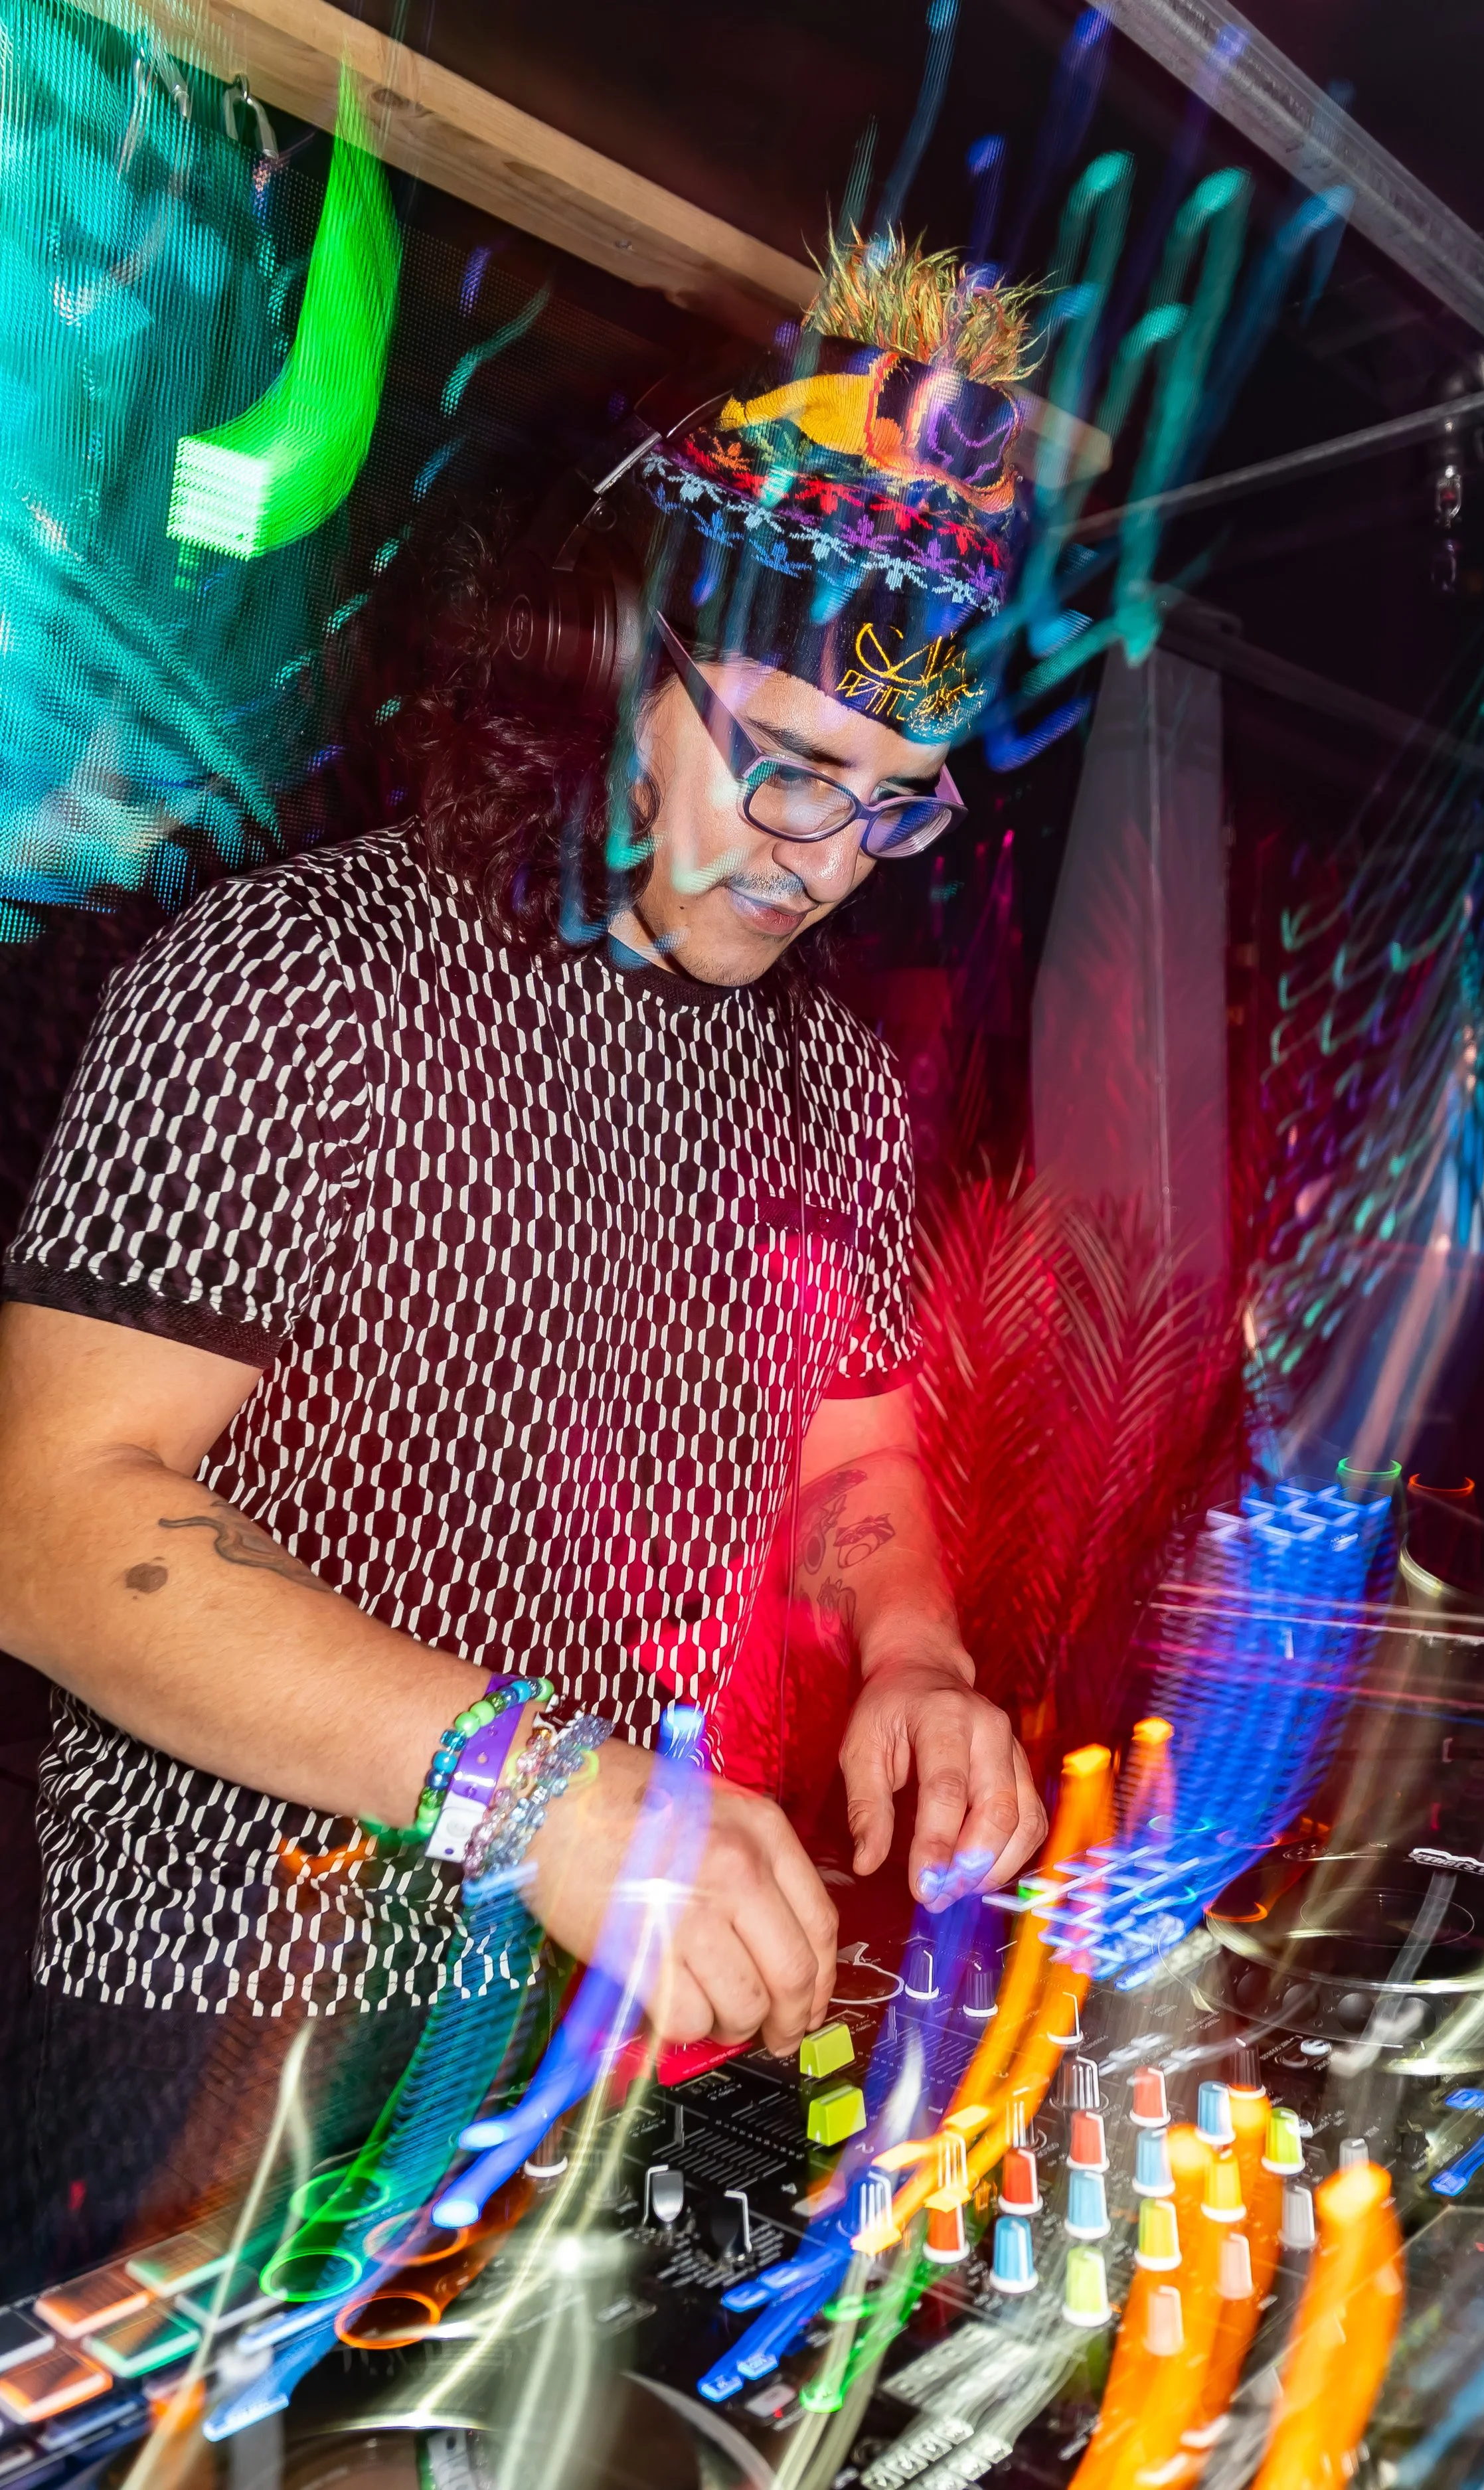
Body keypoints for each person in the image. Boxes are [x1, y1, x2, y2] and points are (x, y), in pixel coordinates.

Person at [0, 234, 1048, 2270]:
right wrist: (537, 1790)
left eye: (893, 809)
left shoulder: (828, 1083)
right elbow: (45, 1516)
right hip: (211, 1996)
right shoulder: (303, 977)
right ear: (610, 662)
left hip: (572, 1976)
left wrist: (912, 1650)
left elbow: (854, 1458)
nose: (816, 856)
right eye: (776, 760)